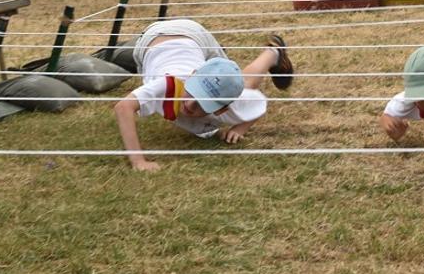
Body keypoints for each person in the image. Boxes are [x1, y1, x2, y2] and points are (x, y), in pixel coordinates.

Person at [113, 19, 294, 171]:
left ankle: (273, 53)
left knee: (235, 83)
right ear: (192, 76)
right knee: (230, 80)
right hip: (160, 37)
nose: (190, 105)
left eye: (202, 104)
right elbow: (123, 107)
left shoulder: (227, 105)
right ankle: (262, 56)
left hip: (188, 44)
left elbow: (259, 104)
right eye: (193, 92)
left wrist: (239, 129)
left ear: (222, 109)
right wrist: (138, 161)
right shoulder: (166, 85)